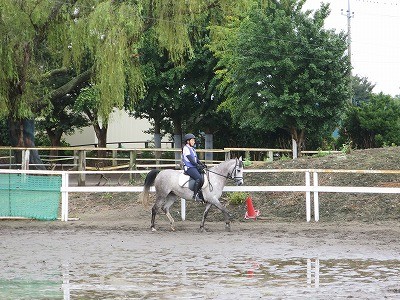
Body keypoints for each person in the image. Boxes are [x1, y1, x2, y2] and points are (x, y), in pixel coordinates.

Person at [182, 133, 206, 201]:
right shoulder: (186, 148)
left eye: (194, 140)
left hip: (193, 167)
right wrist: (198, 165)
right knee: (198, 178)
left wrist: (202, 164)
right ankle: (195, 195)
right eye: (192, 140)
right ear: (188, 141)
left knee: (203, 176)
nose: (194, 142)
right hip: (189, 168)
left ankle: (201, 192)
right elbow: (191, 160)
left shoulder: (192, 149)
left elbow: (196, 159)